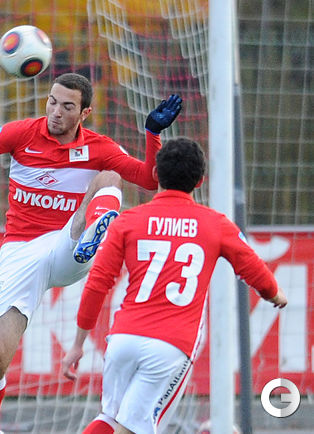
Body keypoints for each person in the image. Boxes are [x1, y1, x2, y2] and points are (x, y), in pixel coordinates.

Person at [0, 72, 182, 433]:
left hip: (67, 244)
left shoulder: (99, 147)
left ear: (84, 113)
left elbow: (149, 179)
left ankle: (95, 231)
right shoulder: (23, 134)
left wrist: (152, 134)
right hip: (21, 252)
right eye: (52, 102)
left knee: (109, 178)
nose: (56, 112)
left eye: (67, 106)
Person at [60, 138, 288, 434]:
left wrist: (78, 343)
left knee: (110, 418)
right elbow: (252, 267)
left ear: (155, 174)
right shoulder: (214, 223)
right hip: (170, 347)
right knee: (134, 427)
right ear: (200, 181)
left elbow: (97, 283)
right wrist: (274, 293)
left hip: (123, 340)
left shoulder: (128, 220)